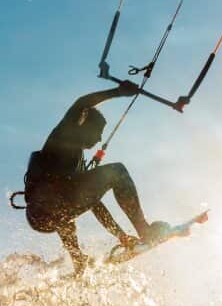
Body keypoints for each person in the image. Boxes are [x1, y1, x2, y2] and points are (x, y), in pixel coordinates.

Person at [21, 79, 169, 274]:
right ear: (83, 125)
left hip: (42, 216)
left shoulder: (77, 165)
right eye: (98, 132)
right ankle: (144, 230)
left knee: (65, 216)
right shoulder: (64, 134)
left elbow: (94, 203)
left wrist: (120, 235)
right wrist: (118, 92)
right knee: (117, 171)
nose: (99, 139)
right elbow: (82, 103)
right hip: (47, 204)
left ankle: (78, 261)